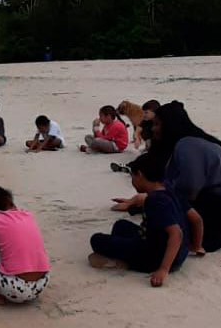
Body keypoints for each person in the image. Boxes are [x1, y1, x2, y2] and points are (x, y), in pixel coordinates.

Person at [111, 101, 221, 252]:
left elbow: (190, 190)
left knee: (163, 230)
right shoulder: (184, 142)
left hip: (213, 203)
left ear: (169, 125)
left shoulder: (187, 145)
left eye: (157, 124)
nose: (153, 128)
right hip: (208, 198)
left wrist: (151, 199)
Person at [90, 152, 203, 287]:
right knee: (120, 225)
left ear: (140, 175)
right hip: (178, 253)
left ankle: (127, 262)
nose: (132, 182)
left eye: (132, 177)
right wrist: (196, 246)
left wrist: (163, 270)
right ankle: (128, 253)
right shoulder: (170, 189)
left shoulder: (155, 200)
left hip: (154, 257)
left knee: (96, 239)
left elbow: (176, 234)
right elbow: (197, 219)